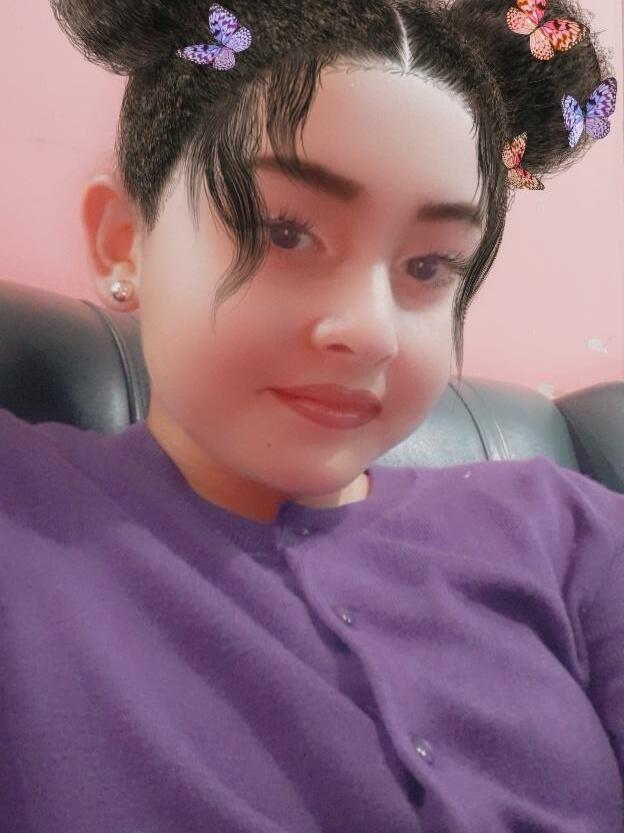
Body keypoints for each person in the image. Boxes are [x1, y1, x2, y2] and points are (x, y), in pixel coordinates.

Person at [1, 0, 621, 830]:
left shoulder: (567, 532)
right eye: (286, 233)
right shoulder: (23, 515)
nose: (371, 331)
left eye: (429, 266)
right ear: (124, 241)